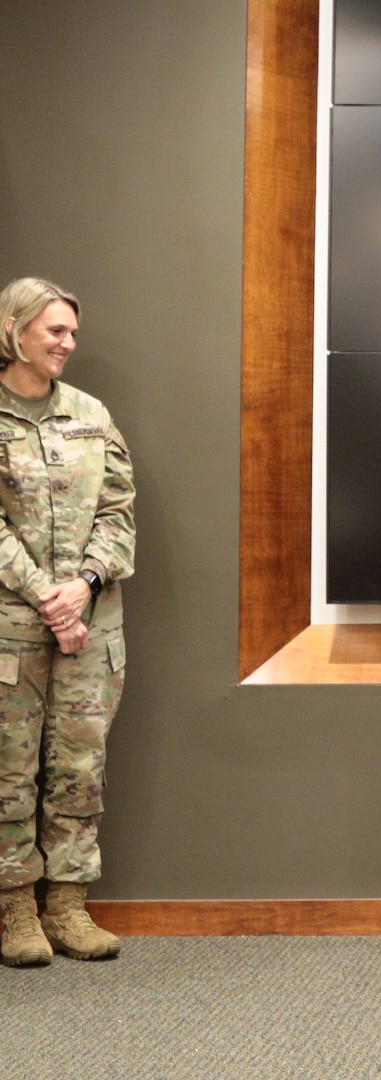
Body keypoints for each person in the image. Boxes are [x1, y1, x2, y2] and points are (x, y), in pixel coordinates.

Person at [0, 277, 135, 968]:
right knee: (9, 771)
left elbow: (118, 512)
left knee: (81, 767)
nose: (67, 344)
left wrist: (82, 588)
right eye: (55, 330)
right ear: (15, 328)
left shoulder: (91, 414)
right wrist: (47, 596)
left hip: (90, 625)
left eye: (73, 334)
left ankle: (67, 908)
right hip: (12, 630)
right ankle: (16, 911)